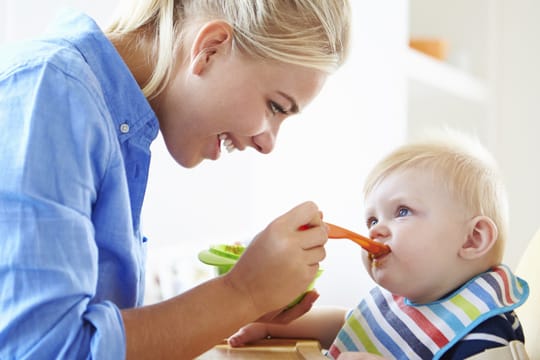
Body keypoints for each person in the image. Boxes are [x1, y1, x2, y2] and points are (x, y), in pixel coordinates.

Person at [0, 0, 351, 358]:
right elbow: (41, 349)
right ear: (211, 48)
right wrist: (241, 293)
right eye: (276, 106)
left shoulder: (106, 121)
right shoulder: (49, 93)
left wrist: (235, 309)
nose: (267, 142)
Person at [228, 130, 530, 359]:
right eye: (371, 220)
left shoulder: (484, 332)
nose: (376, 231)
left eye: (402, 212)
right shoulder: (404, 300)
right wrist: (273, 327)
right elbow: (350, 323)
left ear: (473, 239)